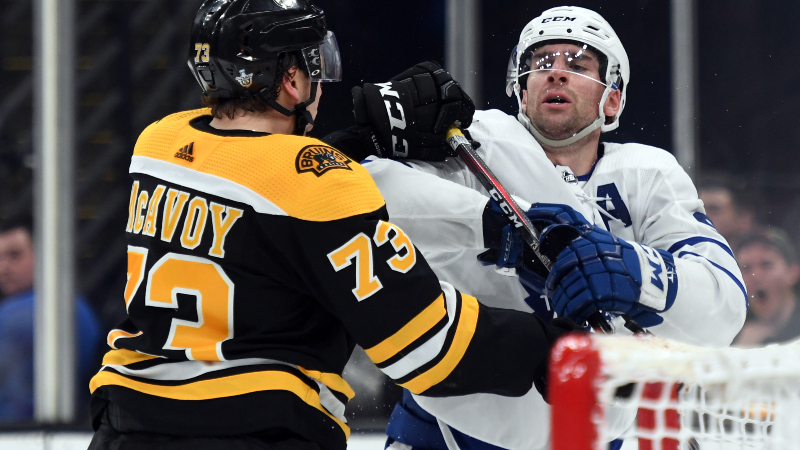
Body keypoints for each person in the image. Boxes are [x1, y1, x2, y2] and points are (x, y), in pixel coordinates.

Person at [86, 1, 582, 449]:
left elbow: (255, 186)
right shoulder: (323, 186)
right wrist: (553, 347)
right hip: (252, 432)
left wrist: (355, 142)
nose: (321, 83)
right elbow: (427, 345)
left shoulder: (159, 145)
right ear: (290, 79)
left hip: (125, 426)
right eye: (313, 66)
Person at [326, 6, 747, 450]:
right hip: (444, 434)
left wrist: (632, 273)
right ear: (522, 92)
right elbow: (356, 194)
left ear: (613, 99)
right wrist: (491, 223)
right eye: (542, 62)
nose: (556, 72)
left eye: (579, 63)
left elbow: (723, 306)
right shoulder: (475, 143)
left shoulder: (647, 173)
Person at [0, 215, 102, 422]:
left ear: (44, 254)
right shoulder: (73, 304)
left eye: (15, 255)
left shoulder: (27, 310)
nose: (3, 268)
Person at [733, 229, 800, 347]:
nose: (756, 276)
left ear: (793, 272)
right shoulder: (732, 331)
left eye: (766, 265)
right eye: (746, 268)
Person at [697, 173, 760, 249]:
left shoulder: (764, 253)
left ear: (743, 218)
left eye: (714, 210)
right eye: (699, 210)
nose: (703, 216)